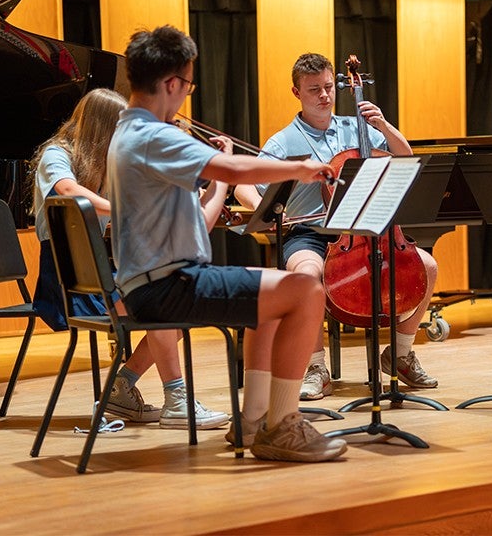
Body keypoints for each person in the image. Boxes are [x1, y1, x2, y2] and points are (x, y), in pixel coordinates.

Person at [107, 25, 347, 462]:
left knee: (272, 291)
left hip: (154, 282)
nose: (184, 99)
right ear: (172, 84)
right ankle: (283, 423)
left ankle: (254, 421)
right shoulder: (152, 135)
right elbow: (232, 171)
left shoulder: (130, 130)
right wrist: (298, 170)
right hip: (168, 286)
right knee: (307, 290)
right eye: (187, 86)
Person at [234, 52, 439, 401]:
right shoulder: (283, 142)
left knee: (428, 266)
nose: (325, 95)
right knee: (308, 277)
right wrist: (265, 211)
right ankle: (315, 367)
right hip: (310, 234)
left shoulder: (354, 126)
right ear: (296, 92)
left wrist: (385, 127)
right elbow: (243, 185)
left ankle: (400, 354)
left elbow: (405, 161)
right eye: (314, 89)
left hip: (368, 231)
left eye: (329, 87)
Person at [30, 88, 231, 429]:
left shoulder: (113, 165)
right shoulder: (57, 154)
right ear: (102, 128)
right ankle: (176, 399)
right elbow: (68, 190)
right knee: (165, 305)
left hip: (101, 271)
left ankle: (121, 388)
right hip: (70, 281)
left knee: (176, 306)